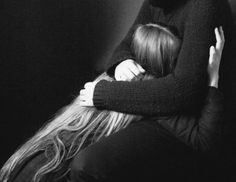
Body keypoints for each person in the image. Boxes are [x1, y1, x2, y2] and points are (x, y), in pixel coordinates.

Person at [0, 22, 224, 182]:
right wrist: (212, 78)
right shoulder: (149, 99)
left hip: (20, 165)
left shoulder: (102, 82)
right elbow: (204, 138)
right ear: (163, 69)